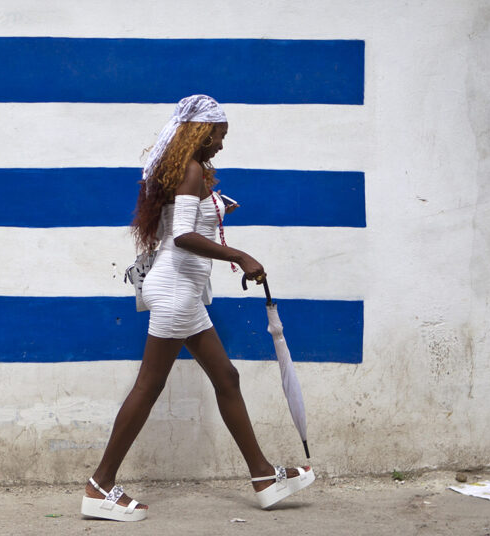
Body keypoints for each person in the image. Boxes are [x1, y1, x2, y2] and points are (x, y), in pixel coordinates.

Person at [81, 95, 314, 521]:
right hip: (176, 290)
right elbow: (183, 236)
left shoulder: (192, 172)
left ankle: (263, 477)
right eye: (219, 136)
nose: (222, 145)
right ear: (201, 132)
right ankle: (100, 485)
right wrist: (240, 256)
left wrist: (218, 207)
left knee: (226, 377)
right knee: (149, 386)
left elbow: (179, 223)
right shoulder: (190, 170)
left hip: (183, 289)